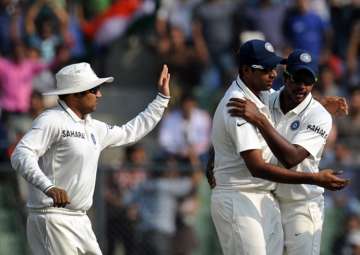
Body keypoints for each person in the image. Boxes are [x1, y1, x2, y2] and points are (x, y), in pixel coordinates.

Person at [10, 62, 171, 255]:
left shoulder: (94, 128)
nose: (99, 95)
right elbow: (21, 154)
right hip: (52, 218)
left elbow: (131, 132)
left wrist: (162, 99)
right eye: (94, 90)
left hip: (81, 220)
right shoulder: (51, 120)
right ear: (75, 94)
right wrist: (48, 187)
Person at [209, 39, 348, 255]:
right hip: (268, 196)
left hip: (301, 204)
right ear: (286, 77)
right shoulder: (264, 99)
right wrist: (215, 157)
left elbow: (291, 158)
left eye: (308, 81)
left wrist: (317, 105)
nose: (302, 86)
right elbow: (229, 128)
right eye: (296, 79)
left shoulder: (318, 116)